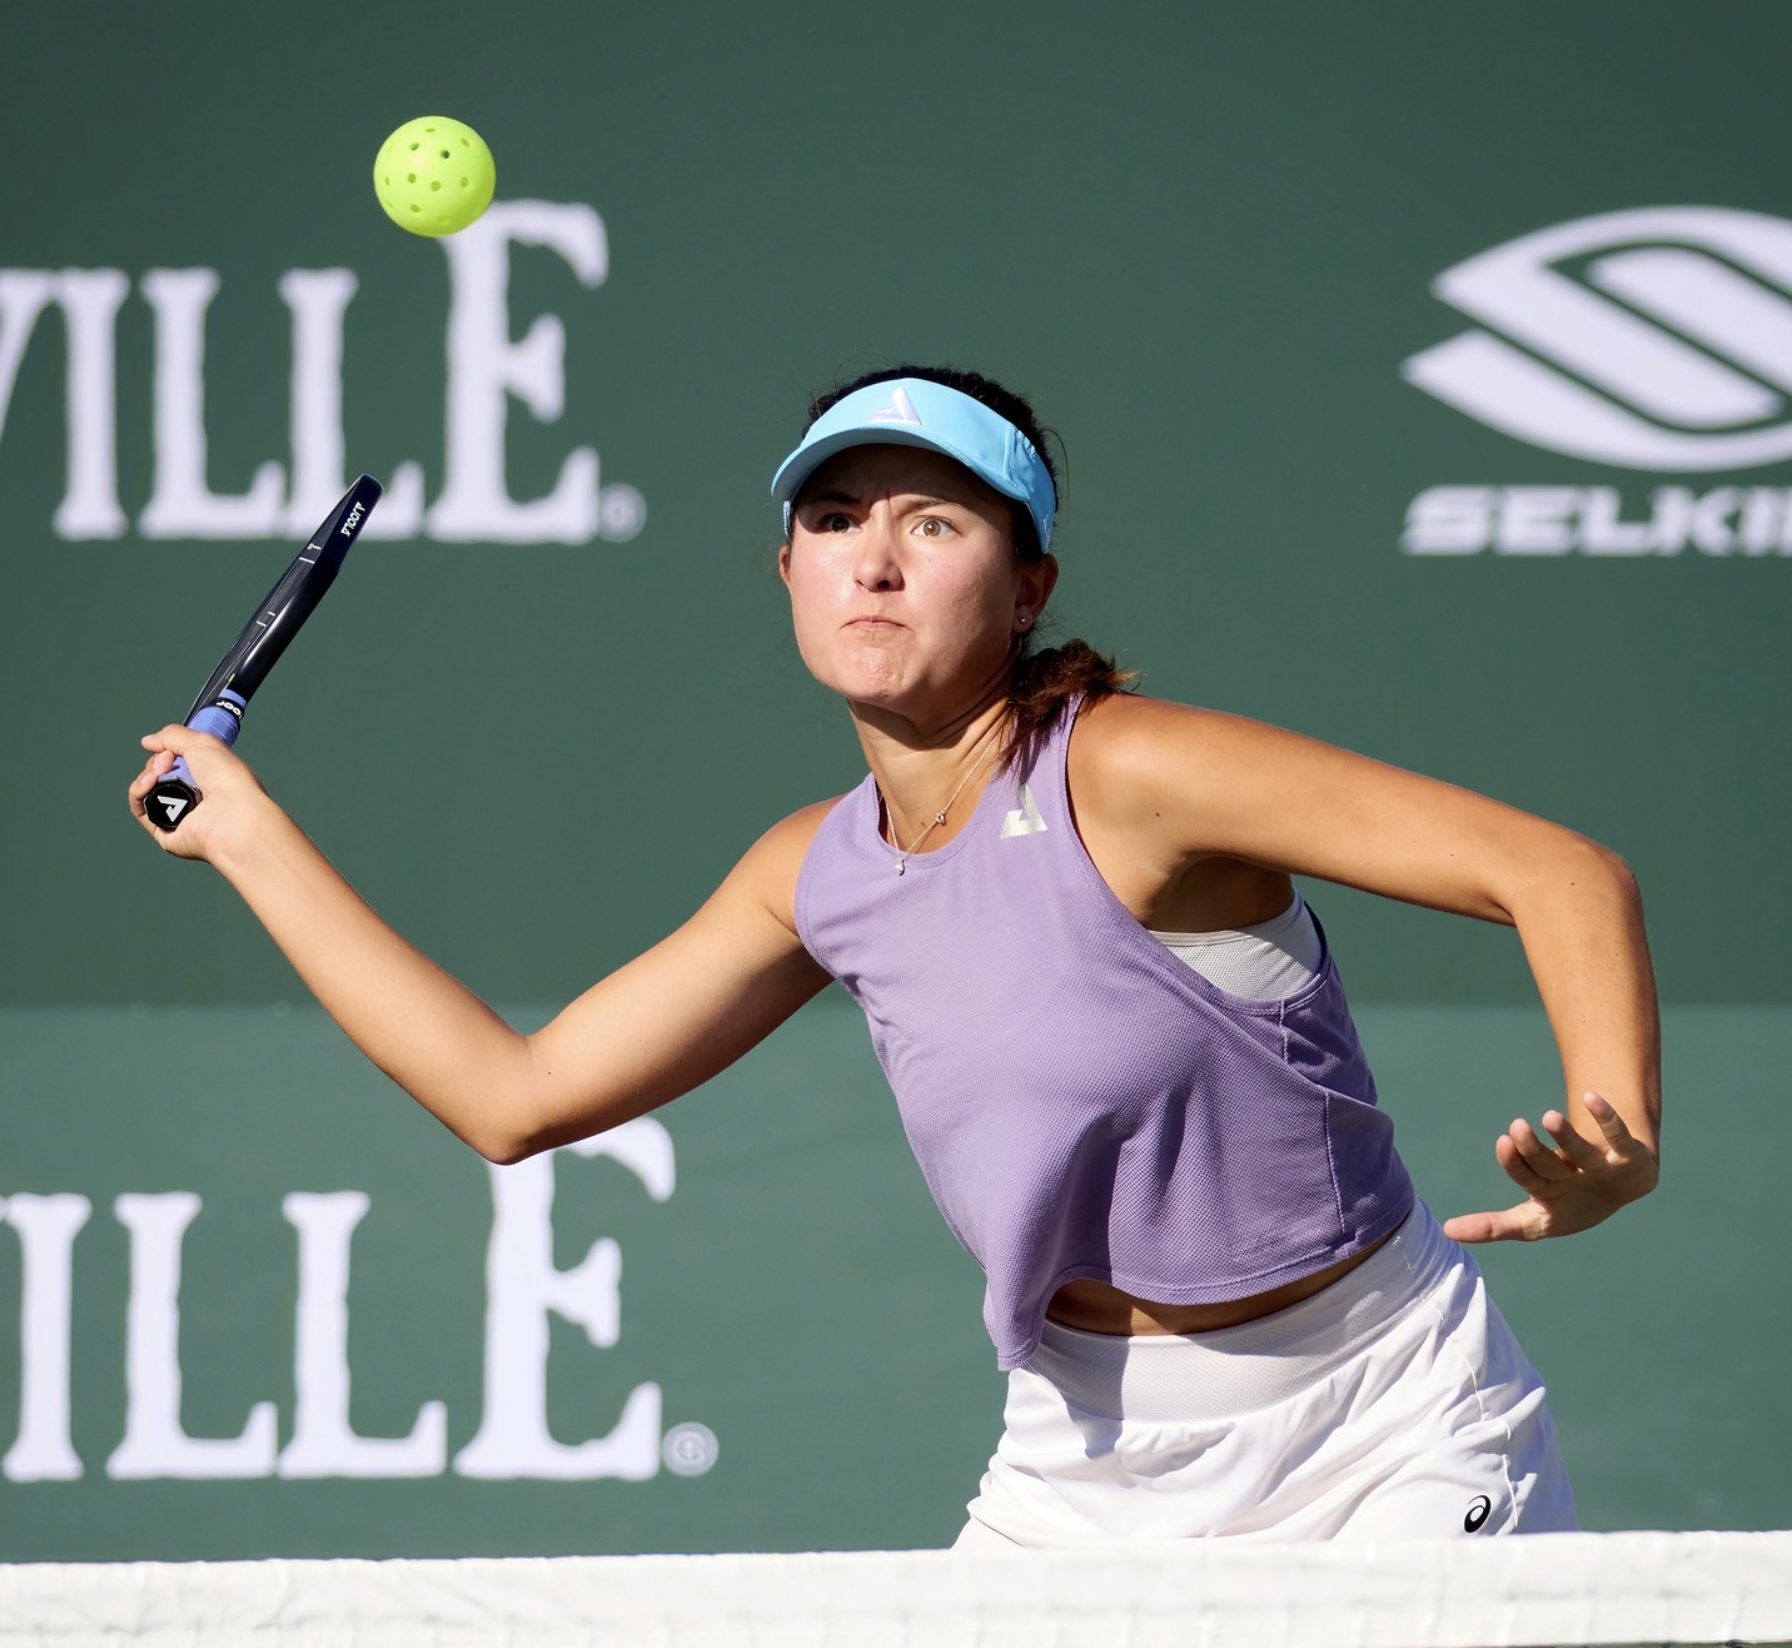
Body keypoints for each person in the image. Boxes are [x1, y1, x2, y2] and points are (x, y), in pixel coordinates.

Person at [128, 363, 1660, 1548]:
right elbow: (509, 1095)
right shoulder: (814, 876)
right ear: (784, 571)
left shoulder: (1133, 771)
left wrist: (1614, 1138)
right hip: (1082, 1464)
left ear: (1029, 581)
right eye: (836, 520)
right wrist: (249, 836)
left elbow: (1556, 869)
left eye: (936, 522)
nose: (876, 559)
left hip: (1381, 1424)